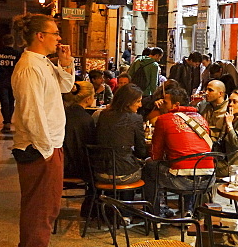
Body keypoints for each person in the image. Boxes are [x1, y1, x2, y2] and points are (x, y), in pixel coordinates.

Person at [10, 13, 74, 247]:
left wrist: (66, 63)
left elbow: (67, 87)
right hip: (39, 147)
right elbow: (31, 112)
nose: (59, 38)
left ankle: (33, 246)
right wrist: (46, 150)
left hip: (48, 144)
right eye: (55, 33)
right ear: (40, 36)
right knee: (43, 204)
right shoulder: (29, 66)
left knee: (42, 202)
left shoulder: (43, 63)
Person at [142, 84, 213, 215]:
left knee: (149, 166)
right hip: (208, 179)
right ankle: (187, 210)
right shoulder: (201, 119)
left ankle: (155, 213)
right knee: (189, 166)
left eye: (165, 102)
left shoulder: (163, 119)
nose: (162, 104)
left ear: (176, 105)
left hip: (182, 181)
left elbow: (155, 155)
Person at [94, 83, 147, 180]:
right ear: (128, 102)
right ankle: (130, 195)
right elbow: (141, 150)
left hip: (100, 171)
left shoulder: (103, 115)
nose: (141, 105)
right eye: (138, 101)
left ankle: (109, 195)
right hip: (123, 173)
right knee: (148, 169)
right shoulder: (136, 118)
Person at [61, 81, 96, 181]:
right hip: (80, 168)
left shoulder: (63, 114)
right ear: (88, 98)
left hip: (61, 164)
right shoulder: (87, 119)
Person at [0, 34, 20, 133]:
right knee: (11, 101)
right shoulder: (17, 53)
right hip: (13, 81)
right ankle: (8, 120)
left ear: (3, 42)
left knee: (4, 102)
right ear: (13, 42)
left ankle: (6, 121)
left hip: (1, 80)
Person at [197, 79, 229, 145]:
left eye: (210, 90)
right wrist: (193, 104)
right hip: (200, 143)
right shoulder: (203, 105)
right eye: (206, 89)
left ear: (220, 93)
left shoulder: (229, 109)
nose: (206, 92)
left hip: (218, 147)